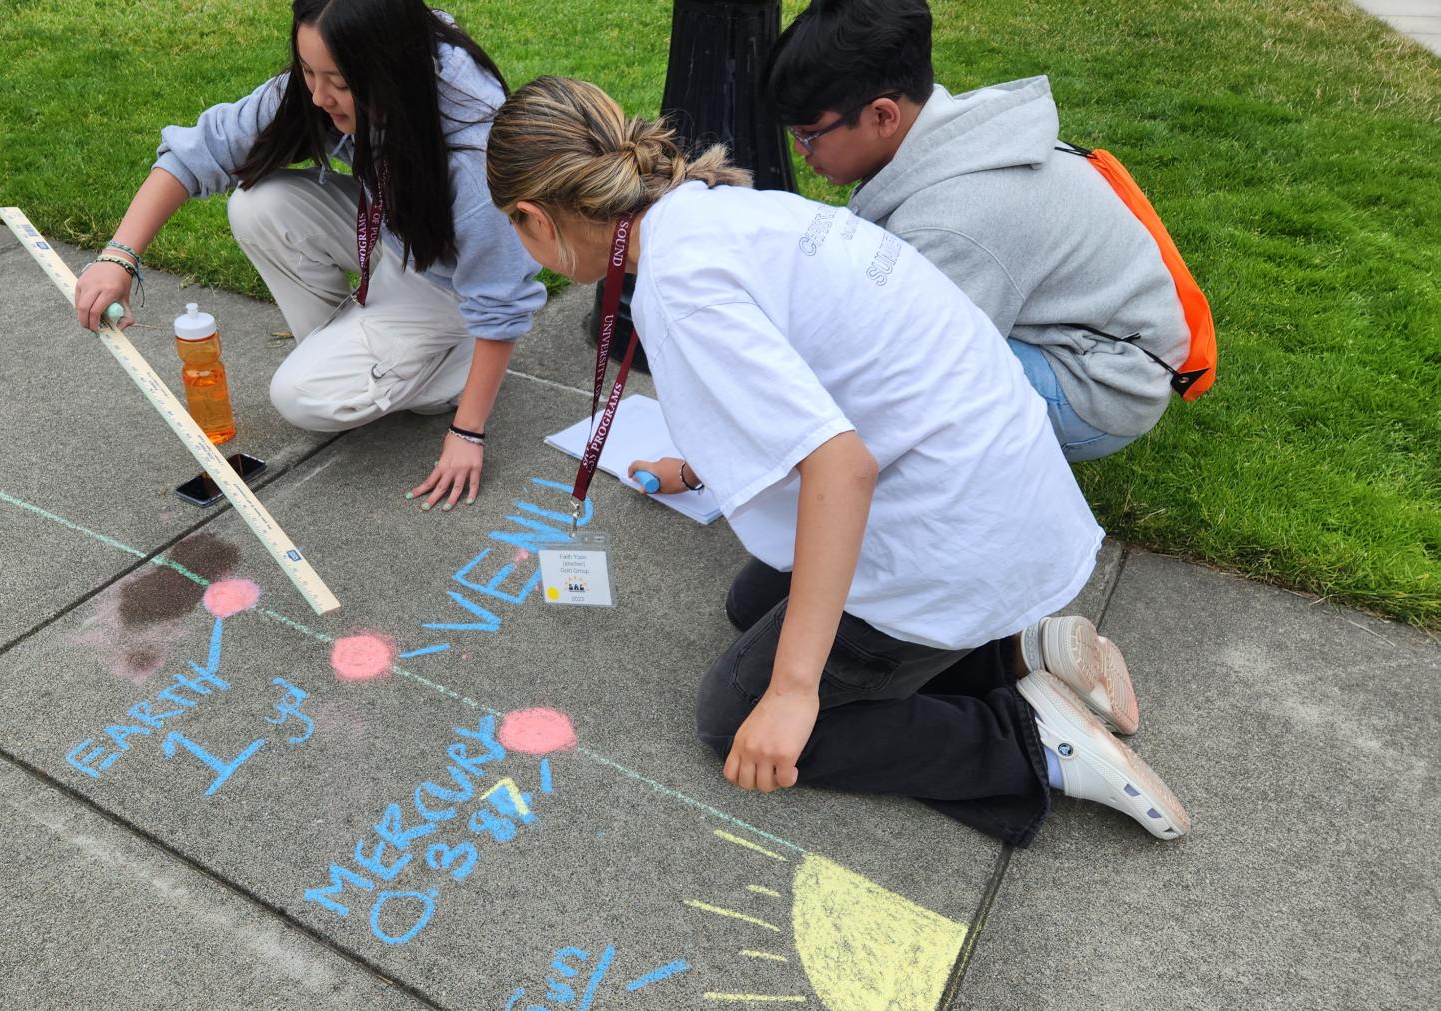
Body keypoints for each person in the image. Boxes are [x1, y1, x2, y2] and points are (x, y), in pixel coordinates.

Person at [485, 75, 1190, 843]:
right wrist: (698, 466)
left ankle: (1025, 744)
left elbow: (839, 466)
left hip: (954, 535)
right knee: (755, 602)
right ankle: (1019, 648)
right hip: (995, 491)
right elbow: (812, 383)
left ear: (533, 216)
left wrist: (792, 692)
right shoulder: (714, 210)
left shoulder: (680, 286)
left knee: (734, 714)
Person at [74, 0, 544, 510]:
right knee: (258, 204)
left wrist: (467, 432)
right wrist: (118, 257)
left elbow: (500, 297)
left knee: (300, 396)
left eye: (339, 83)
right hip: (392, 230)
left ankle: (448, 371)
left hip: (453, 285)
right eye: (306, 71)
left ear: (391, 72)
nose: (318, 96)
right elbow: (203, 149)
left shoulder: (475, 155)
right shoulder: (333, 72)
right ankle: (369, 355)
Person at [766, 0, 1190, 468]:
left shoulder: (951, 222)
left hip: (1100, 385)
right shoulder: (952, 135)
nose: (800, 151)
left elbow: (909, 371)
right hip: (1092, 335)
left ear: (884, 116)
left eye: (808, 134)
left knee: (882, 400)